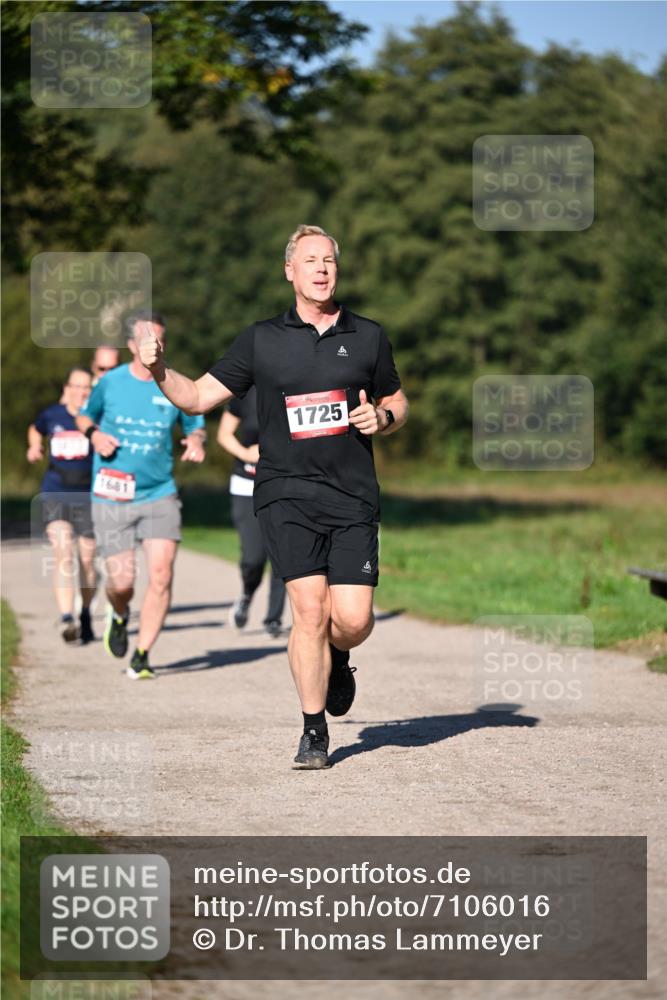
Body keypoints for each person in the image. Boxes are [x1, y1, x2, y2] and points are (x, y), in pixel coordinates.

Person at [138, 225, 409, 767]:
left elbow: (398, 401)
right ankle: (313, 731)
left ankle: (339, 655)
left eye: (329, 259)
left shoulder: (369, 335)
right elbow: (196, 398)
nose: (322, 268)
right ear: (290, 270)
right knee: (308, 610)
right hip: (284, 492)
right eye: (310, 259)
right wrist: (159, 369)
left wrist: (382, 418)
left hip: (353, 494)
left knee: (352, 620)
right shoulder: (261, 340)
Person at [76, 311, 207, 680]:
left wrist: (196, 441)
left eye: (160, 339)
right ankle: (119, 614)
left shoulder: (172, 381)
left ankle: (143, 654)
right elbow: (85, 417)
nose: (154, 345)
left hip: (159, 492)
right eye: (147, 339)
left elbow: (196, 422)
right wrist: (94, 436)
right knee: (123, 583)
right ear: (132, 345)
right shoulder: (111, 382)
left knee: (162, 574)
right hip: (112, 494)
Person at [27, 367, 97, 644]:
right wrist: (34, 446)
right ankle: (67, 617)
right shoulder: (52, 415)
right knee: (63, 553)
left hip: (89, 497)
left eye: (86, 388)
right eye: (76, 386)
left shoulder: (96, 417)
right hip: (55, 493)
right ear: (67, 388)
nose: (81, 392)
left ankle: (86, 611)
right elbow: (35, 428)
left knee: (88, 560)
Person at [217, 387, 286, 638]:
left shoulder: (294, 387)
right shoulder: (245, 394)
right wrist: (245, 453)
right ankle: (247, 593)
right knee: (253, 558)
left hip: (284, 485)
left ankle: (273, 619)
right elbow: (224, 435)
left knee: (284, 554)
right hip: (247, 485)